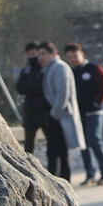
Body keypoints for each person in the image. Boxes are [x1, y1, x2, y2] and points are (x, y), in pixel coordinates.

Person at [64, 42, 103, 186]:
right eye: (70, 57)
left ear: (82, 54)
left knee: (95, 141)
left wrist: (98, 102)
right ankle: (90, 173)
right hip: (79, 114)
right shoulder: (71, 72)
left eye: (75, 56)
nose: (73, 59)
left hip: (95, 112)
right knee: (83, 144)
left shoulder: (94, 69)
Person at [38, 40, 85, 182]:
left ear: (53, 54)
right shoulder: (51, 68)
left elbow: (63, 93)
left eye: (43, 54)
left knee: (58, 153)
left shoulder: (59, 67)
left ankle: (61, 183)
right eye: (39, 54)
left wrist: (55, 114)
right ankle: (60, 182)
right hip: (56, 116)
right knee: (56, 153)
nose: (40, 57)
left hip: (59, 117)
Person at [16, 42, 51, 155]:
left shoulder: (46, 69)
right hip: (30, 110)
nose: (32, 56)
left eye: (34, 53)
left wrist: (32, 88)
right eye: (29, 54)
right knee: (29, 145)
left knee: (51, 141)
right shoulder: (26, 70)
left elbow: (46, 87)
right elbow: (19, 88)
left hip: (45, 109)